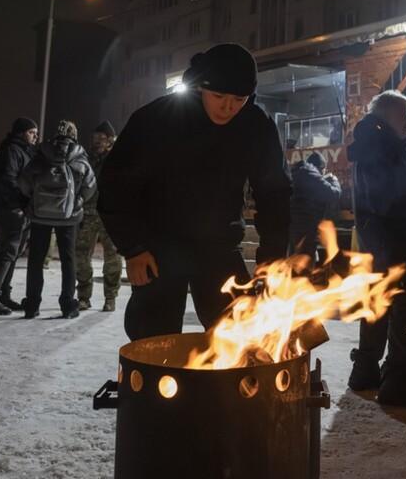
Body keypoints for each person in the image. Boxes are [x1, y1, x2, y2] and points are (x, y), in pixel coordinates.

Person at [98, 43, 291, 340]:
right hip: (158, 248)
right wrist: (133, 248)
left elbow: (275, 195)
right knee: (153, 342)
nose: (228, 107)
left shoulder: (255, 126)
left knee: (240, 337)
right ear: (201, 87)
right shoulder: (159, 118)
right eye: (219, 96)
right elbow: (116, 185)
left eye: (238, 99)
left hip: (219, 247)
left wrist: (272, 261)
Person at [346, 90, 406, 408]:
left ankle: (365, 371)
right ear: (389, 114)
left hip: (378, 240)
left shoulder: (373, 142)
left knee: (377, 304)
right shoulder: (382, 144)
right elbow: (389, 196)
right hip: (393, 240)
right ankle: (397, 381)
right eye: (405, 114)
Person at [19, 120, 96, 319]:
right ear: (74, 135)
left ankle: (32, 305)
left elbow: (24, 181)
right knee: (68, 261)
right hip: (69, 216)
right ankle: (68, 305)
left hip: (40, 216)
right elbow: (90, 185)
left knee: (36, 260)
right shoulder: (79, 155)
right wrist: (77, 201)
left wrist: (34, 201)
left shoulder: (42, 153)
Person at [0, 118, 38, 315]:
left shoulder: (23, 150)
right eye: (32, 132)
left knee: (13, 253)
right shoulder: (11, 150)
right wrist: (22, 201)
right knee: (7, 252)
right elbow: (9, 180)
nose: (36, 136)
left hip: (22, 208)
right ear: (22, 132)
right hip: (11, 208)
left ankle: (3, 294)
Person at [76, 121, 123, 312]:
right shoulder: (85, 157)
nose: (96, 142)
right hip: (88, 213)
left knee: (112, 257)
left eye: (100, 139)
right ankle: (83, 297)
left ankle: (110, 297)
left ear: (110, 140)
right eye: (94, 138)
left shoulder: (119, 158)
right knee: (81, 256)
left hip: (110, 214)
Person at [289, 151, 341, 261]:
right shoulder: (310, 174)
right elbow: (333, 194)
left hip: (295, 226)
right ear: (321, 167)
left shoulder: (299, 173)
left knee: (295, 260)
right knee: (304, 263)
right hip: (306, 227)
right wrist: (334, 181)